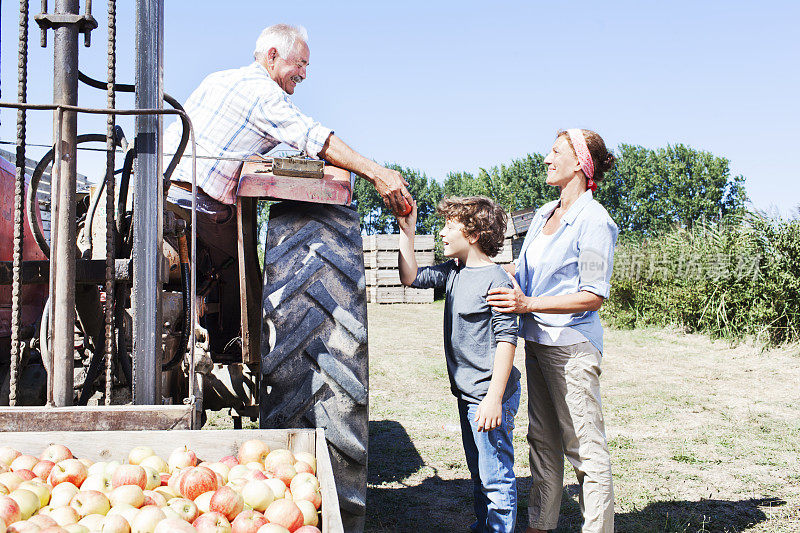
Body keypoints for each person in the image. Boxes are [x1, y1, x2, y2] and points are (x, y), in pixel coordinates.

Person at [162, 23, 413, 256]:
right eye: (300, 64)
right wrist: (377, 173)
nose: (304, 74)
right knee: (239, 280)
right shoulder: (265, 93)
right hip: (199, 208)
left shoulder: (217, 78)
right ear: (272, 55)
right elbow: (316, 139)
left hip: (161, 194)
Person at [487, 129, 618, 533]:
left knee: (584, 449)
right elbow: (522, 273)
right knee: (542, 442)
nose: (546, 157)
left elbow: (593, 295)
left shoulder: (595, 221)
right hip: (539, 344)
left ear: (579, 162)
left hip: (572, 347)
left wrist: (529, 306)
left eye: (556, 151)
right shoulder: (545, 212)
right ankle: (540, 526)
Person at [398, 196, 521, 532]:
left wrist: (494, 398)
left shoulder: (496, 280)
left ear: (473, 234)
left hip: (489, 395)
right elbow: (410, 277)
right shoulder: (454, 273)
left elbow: (507, 340)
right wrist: (406, 234)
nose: (441, 233)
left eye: (449, 226)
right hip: (468, 395)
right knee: (480, 472)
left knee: (495, 477)